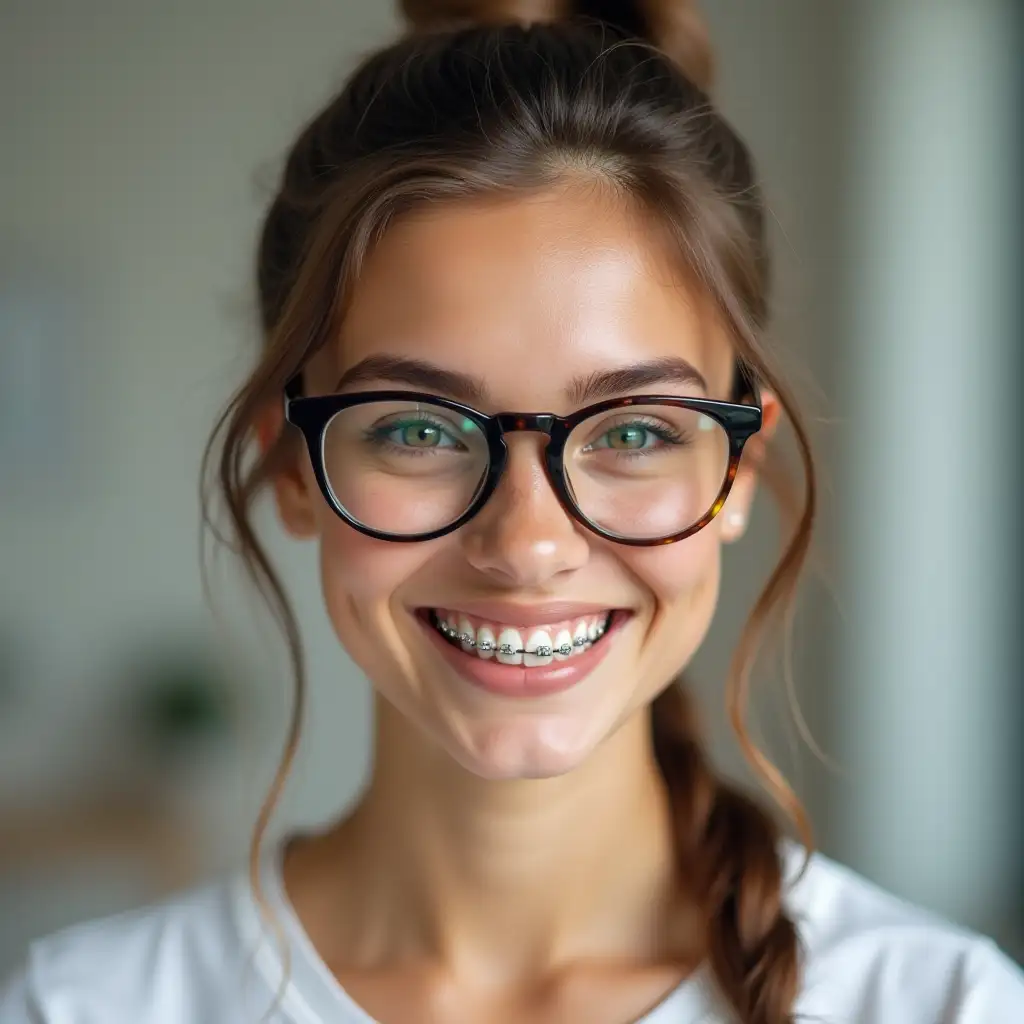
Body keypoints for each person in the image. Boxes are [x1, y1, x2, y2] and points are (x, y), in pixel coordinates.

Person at [2, 2, 1022, 1022]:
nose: (528, 545)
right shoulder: (84, 1005)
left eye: (631, 432)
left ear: (737, 468)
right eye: (419, 429)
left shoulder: (945, 1003)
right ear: (293, 466)